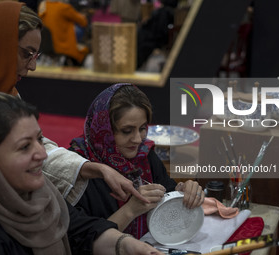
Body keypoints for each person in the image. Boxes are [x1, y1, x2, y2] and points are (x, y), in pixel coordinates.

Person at [0, 1, 147, 206]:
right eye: (27, 54)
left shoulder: (9, 95)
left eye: (36, 55)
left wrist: (96, 168)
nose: (32, 66)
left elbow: (39, 149)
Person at [0, 92, 163, 255]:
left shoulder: (43, 197)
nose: (43, 154)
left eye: (40, 140)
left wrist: (126, 245)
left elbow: (82, 231)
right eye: (25, 146)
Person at [64, 83, 205, 239]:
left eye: (142, 128)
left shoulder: (143, 155)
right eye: (127, 131)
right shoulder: (77, 169)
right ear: (104, 130)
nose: (138, 139)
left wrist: (182, 192)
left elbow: (167, 191)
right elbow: (81, 242)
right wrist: (130, 210)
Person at [38, 0, 89, 66]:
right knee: (84, 50)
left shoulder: (43, 6)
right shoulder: (64, 8)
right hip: (61, 46)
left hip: (44, 46)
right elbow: (83, 22)